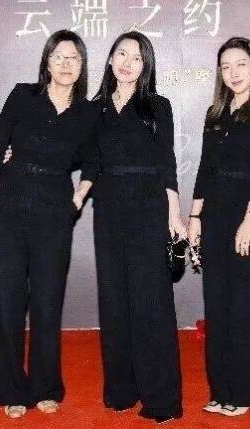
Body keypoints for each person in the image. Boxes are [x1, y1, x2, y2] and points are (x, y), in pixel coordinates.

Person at [0, 30, 99, 419]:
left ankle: (46, 386)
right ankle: (12, 390)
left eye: (74, 58)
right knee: (8, 301)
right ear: (47, 61)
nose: (66, 65)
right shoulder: (23, 96)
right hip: (8, 205)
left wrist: (77, 199)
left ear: (82, 66)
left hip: (54, 210)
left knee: (48, 301)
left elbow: (94, 162)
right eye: (59, 57)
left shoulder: (88, 113)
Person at [83, 31, 186, 423]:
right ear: (110, 59)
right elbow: (75, 153)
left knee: (151, 303)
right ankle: (122, 389)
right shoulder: (93, 109)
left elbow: (167, 163)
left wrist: (173, 215)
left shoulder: (157, 106)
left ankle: (162, 399)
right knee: (114, 300)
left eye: (137, 57)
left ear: (146, 67)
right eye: (121, 54)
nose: (127, 63)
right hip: (107, 211)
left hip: (148, 209)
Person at [187, 37, 250, 417]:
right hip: (214, 216)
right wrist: (195, 218)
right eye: (226, 67)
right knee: (218, 305)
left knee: (247, 307)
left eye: (241, 64)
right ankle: (221, 390)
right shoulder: (215, 114)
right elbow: (205, 169)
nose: (233, 73)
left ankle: (245, 394)